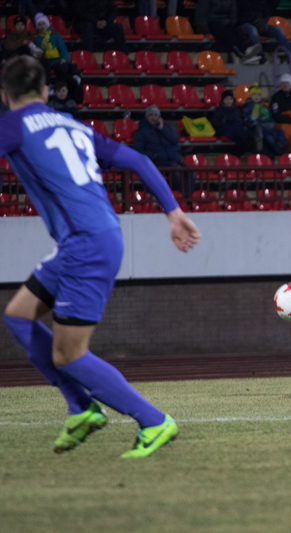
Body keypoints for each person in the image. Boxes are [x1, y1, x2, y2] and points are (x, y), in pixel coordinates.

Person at [0, 56, 200, 457]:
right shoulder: (73, 125)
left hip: (85, 244)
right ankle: (82, 408)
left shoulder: (12, 125)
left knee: (68, 354)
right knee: (18, 316)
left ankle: (153, 421)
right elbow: (139, 160)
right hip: (90, 239)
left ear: (4, 96)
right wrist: (173, 212)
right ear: (45, 93)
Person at [134, 105, 192, 195]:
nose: (154, 117)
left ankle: (188, 198)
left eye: (156, 115)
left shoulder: (166, 127)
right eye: (151, 115)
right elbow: (139, 150)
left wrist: (162, 129)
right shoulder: (141, 132)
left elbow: (175, 139)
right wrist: (154, 155)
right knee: (176, 172)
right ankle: (177, 198)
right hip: (156, 161)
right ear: (146, 117)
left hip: (172, 159)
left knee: (191, 172)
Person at [34, 13, 81, 103]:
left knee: (63, 69)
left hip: (57, 60)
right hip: (46, 61)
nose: (42, 26)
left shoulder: (56, 36)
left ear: (47, 25)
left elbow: (62, 47)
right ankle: (50, 89)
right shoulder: (37, 39)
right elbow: (38, 52)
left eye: (43, 24)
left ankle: (64, 92)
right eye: (39, 24)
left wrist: (63, 58)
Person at [242, 83, 288, 158]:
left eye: (258, 94)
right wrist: (260, 124)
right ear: (250, 95)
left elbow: (270, 119)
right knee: (266, 134)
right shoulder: (247, 107)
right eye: (254, 94)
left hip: (266, 126)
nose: (257, 97)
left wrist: (269, 124)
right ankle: (277, 149)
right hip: (254, 128)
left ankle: (281, 146)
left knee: (279, 132)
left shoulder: (263, 107)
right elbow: (248, 121)